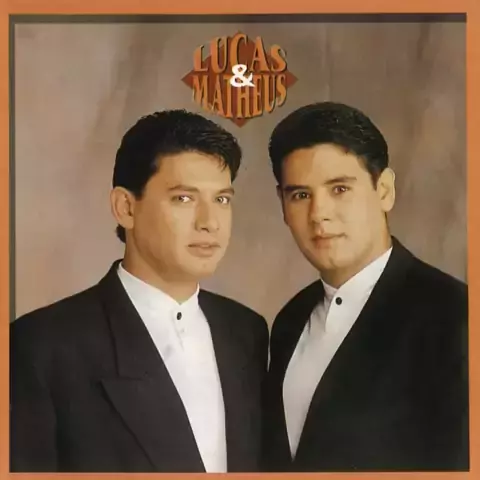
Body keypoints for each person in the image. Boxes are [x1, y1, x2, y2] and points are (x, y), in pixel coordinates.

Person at [10, 109, 269, 473]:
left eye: (222, 200)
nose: (210, 222)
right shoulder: (42, 345)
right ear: (126, 208)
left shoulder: (246, 331)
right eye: (184, 198)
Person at [262, 102, 469, 472]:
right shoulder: (289, 321)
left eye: (339, 188)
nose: (319, 214)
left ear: (384, 190)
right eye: (301, 195)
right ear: (282, 204)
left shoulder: (455, 316)